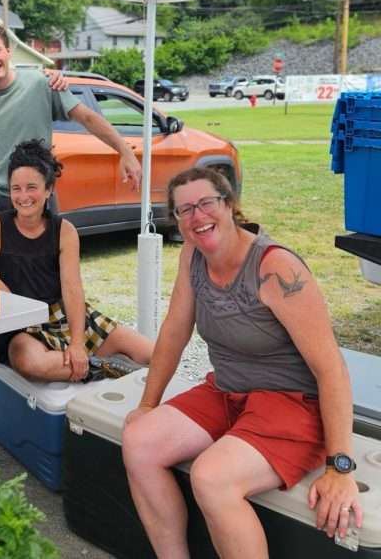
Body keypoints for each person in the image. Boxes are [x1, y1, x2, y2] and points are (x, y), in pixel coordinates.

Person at [120, 168, 362, 558]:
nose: (197, 217)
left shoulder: (275, 268)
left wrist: (340, 467)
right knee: (138, 441)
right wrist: (148, 404)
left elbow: (331, 368)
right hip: (228, 391)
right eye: (184, 210)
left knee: (212, 477)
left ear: (229, 205)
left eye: (206, 204)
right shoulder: (192, 255)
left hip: (293, 405)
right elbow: (174, 331)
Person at [0, 140, 152, 381]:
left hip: (65, 315)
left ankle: (91, 362)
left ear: (49, 189)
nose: (23, 196)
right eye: (16, 188)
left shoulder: (64, 231)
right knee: (31, 364)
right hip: (23, 326)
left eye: (31, 187)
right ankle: (105, 368)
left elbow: (72, 288)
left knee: (153, 354)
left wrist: (78, 343)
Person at [0, 22, 142, 226]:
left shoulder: (41, 84)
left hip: (35, 197)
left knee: (41, 257)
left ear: (8, 51)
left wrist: (125, 151)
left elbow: (88, 118)